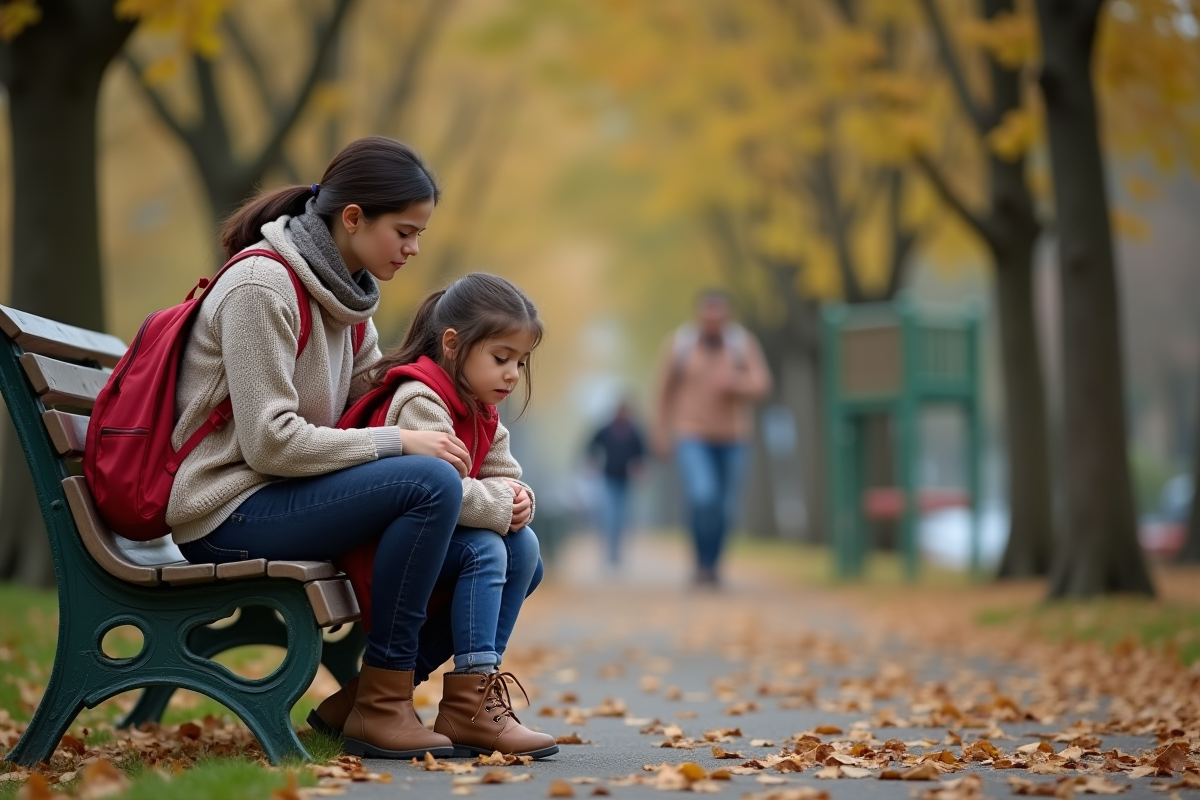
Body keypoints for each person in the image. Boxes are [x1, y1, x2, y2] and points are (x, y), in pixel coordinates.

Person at [169, 137, 474, 760]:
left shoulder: (350, 301)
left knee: (507, 547)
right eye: (406, 232)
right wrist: (401, 442)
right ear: (354, 217)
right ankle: (386, 707)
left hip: (289, 497)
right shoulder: (262, 286)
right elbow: (269, 442)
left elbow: (368, 404)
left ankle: (369, 699)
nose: (415, 250)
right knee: (429, 482)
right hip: (226, 509)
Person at [329, 272, 557, 759]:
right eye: (501, 358)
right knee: (486, 548)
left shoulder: (480, 407)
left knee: (527, 552)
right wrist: (502, 504)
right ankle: (471, 696)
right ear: (453, 344)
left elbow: (503, 476)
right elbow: (442, 492)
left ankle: (449, 700)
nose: (512, 374)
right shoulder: (420, 399)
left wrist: (521, 500)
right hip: (393, 546)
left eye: (520, 361)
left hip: (439, 541)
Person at [652, 289, 771, 587]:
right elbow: (662, 394)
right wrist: (660, 434)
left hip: (734, 437)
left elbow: (762, 384)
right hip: (691, 433)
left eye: (719, 317)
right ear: (700, 315)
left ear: (727, 316)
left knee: (725, 507)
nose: (713, 322)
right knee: (703, 496)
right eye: (708, 316)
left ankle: (713, 565)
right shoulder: (679, 345)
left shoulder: (742, 344)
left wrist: (736, 383)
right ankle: (701, 562)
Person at [586, 399, 646, 568]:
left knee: (622, 517)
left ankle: (618, 551)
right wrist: (592, 462)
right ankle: (609, 551)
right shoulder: (606, 430)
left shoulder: (633, 432)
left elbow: (641, 453)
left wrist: (640, 468)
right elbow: (591, 445)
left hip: (626, 481)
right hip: (608, 478)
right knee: (610, 515)